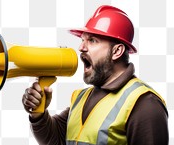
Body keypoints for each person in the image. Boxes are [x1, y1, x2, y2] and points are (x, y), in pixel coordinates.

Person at [22, 5, 169, 145]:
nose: (81, 48)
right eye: (82, 40)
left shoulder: (144, 104)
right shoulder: (81, 98)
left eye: (92, 40)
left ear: (117, 51)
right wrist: (38, 114)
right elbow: (57, 140)